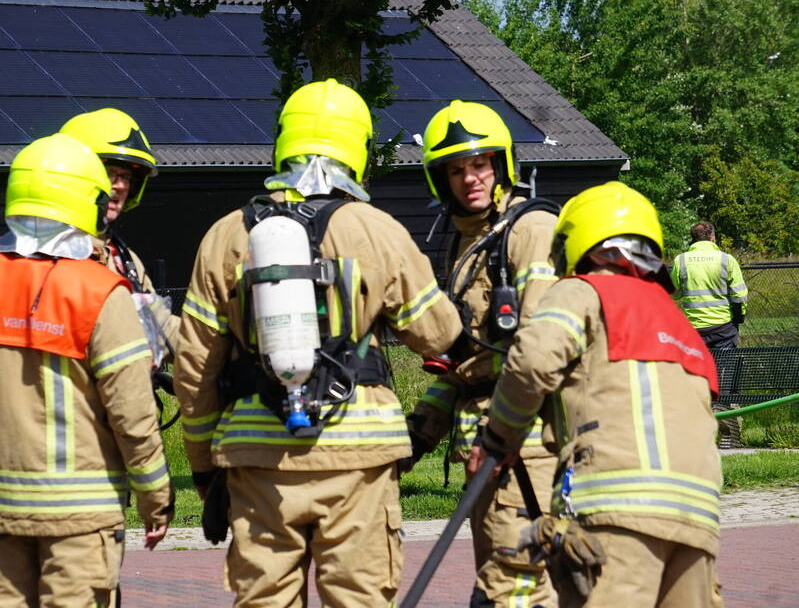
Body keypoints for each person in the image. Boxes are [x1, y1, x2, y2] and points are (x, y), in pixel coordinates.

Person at [172, 78, 461, 605]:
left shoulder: (225, 236)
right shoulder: (377, 229)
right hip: (359, 458)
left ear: (283, 140)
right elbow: (438, 335)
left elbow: (195, 370)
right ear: (358, 147)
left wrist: (203, 467)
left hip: (258, 459)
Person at [0, 133, 174, 607]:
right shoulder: (101, 291)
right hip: (81, 521)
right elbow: (133, 413)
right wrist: (154, 496)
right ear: (88, 199)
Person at [481, 181, 722, 607]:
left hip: (617, 510)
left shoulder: (583, 291)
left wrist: (500, 437)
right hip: (697, 518)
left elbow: (532, 361)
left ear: (578, 242)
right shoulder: (678, 321)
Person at [405, 100, 560, 607]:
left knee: (515, 583)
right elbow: (466, 362)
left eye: (479, 163)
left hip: (527, 442)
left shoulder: (529, 230)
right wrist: (417, 434)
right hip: (491, 440)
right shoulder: (463, 245)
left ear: (502, 164)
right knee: (505, 576)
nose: (469, 178)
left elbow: (537, 349)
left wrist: (501, 436)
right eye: (454, 168)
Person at [60, 108, 179, 368]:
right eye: (109, 173)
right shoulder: (47, 254)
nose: (121, 186)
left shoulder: (123, 258)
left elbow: (162, 327)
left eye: (126, 177)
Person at [671, 221, 748, 351]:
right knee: (725, 369)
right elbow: (739, 296)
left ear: (694, 239)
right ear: (713, 238)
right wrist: (738, 318)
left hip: (694, 328)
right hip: (723, 328)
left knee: (698, 370)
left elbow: (673, 293)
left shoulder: (681, 260)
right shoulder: (727, 260)